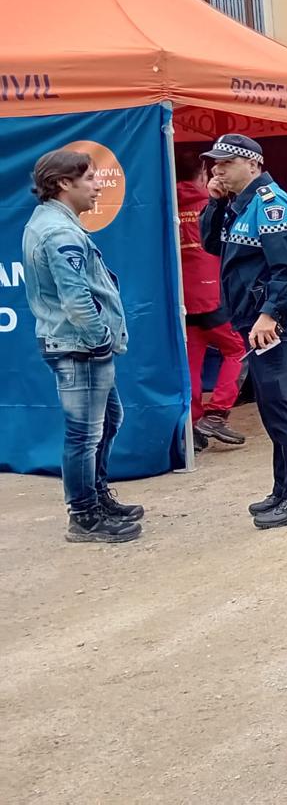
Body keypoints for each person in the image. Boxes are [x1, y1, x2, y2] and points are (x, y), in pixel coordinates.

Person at [22, 149, 145, 543]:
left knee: (108, 422)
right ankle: (85, 515)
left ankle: (97, 496)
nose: (97, 187)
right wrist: (100, 341)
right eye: (90, 179)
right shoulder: (59, 232)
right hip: (80, 348)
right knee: (84, 434)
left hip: (79, 346)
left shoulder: (56, 223)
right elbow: (75, 297)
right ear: (63, 183)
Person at [198, 134, 287, 529]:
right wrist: (215, 203)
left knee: (283, 409)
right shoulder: (238, 204)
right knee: (270, 407)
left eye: (225, 163)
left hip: (269, 324)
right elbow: (212, 244)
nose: (217, 170)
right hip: (252, 321)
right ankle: (284, 489)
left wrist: (271, 316)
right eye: (214, 164)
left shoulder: (271, 206)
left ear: (252, 164)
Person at [176, 153, 247, 449]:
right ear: (203, 173)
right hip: (213, 294)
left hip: (182, 297)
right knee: (239, 349)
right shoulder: (213, 203)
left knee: (191, 361)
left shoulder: (166, 204)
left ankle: (192, 426)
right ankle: (216, 413)